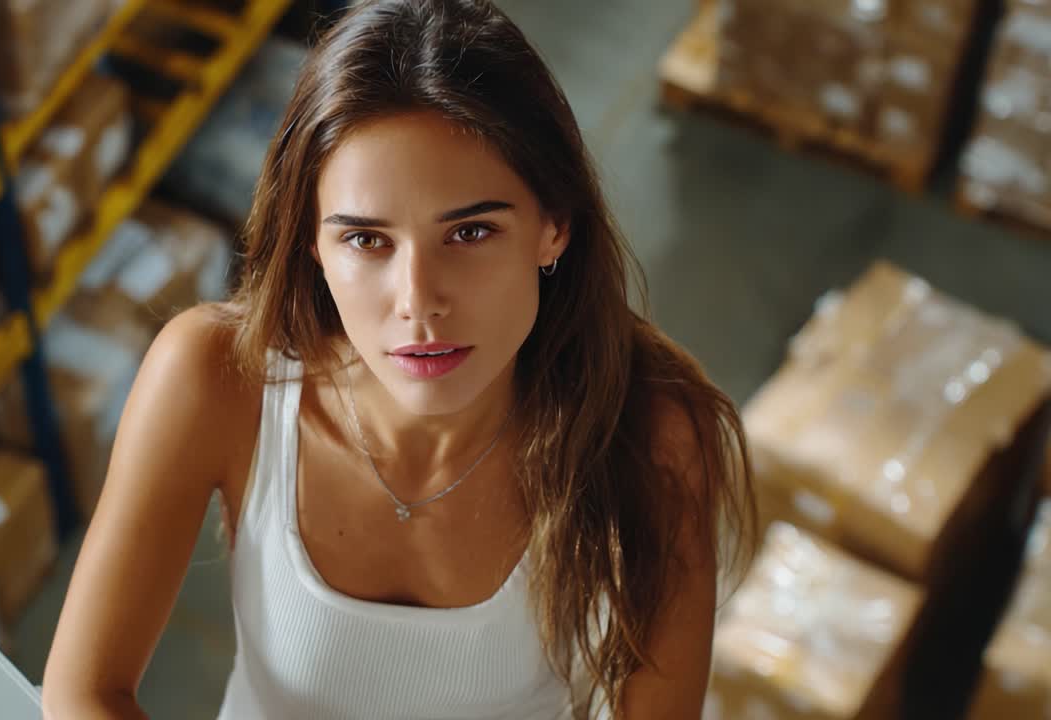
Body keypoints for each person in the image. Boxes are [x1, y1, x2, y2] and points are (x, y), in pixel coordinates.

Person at [41, 1, 756, 718]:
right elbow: (84, 691)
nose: (417, 302)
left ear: (554, 228)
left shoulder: (652, 431)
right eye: (366, 240)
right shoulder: (218, 376)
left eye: (470, 231)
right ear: (313, 246)